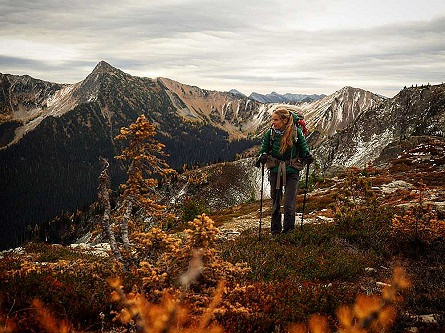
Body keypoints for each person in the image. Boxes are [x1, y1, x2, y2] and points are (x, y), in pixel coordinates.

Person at [256, 107, 313, 234]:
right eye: (273, 119)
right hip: (276, 170)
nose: (273, 122)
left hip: (291, 171)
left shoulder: (296, 133)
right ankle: (276, 232)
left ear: (285, 120)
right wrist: (263, 155)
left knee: (289, 204)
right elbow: (263, 149)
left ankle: (288, 232)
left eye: (276, 120)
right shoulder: (270, 133)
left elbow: (304, 150)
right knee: (276, 204)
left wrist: (308, 156)